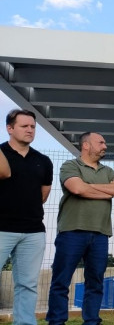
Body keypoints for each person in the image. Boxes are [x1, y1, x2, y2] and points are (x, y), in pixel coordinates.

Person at [46, 132, 114, 325]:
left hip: (100, 234)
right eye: (100, 142)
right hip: (72, 232)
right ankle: (56, 322)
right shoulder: (70, 166)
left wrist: (89, 187)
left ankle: (91, 321)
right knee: (61, 281)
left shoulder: (107, 170)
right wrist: (106, 191)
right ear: (86, 145)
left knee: (95, 283)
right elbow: (77, 189)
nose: (105, 146)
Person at [0, 109, 53, 325]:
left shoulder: (43, 161)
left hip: (33, 232)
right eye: (24, 126)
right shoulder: (1, 153)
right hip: (1, 228)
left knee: (27, 284)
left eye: (32, 126)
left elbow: (43, 195)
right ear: (10, 129)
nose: (30, 130)